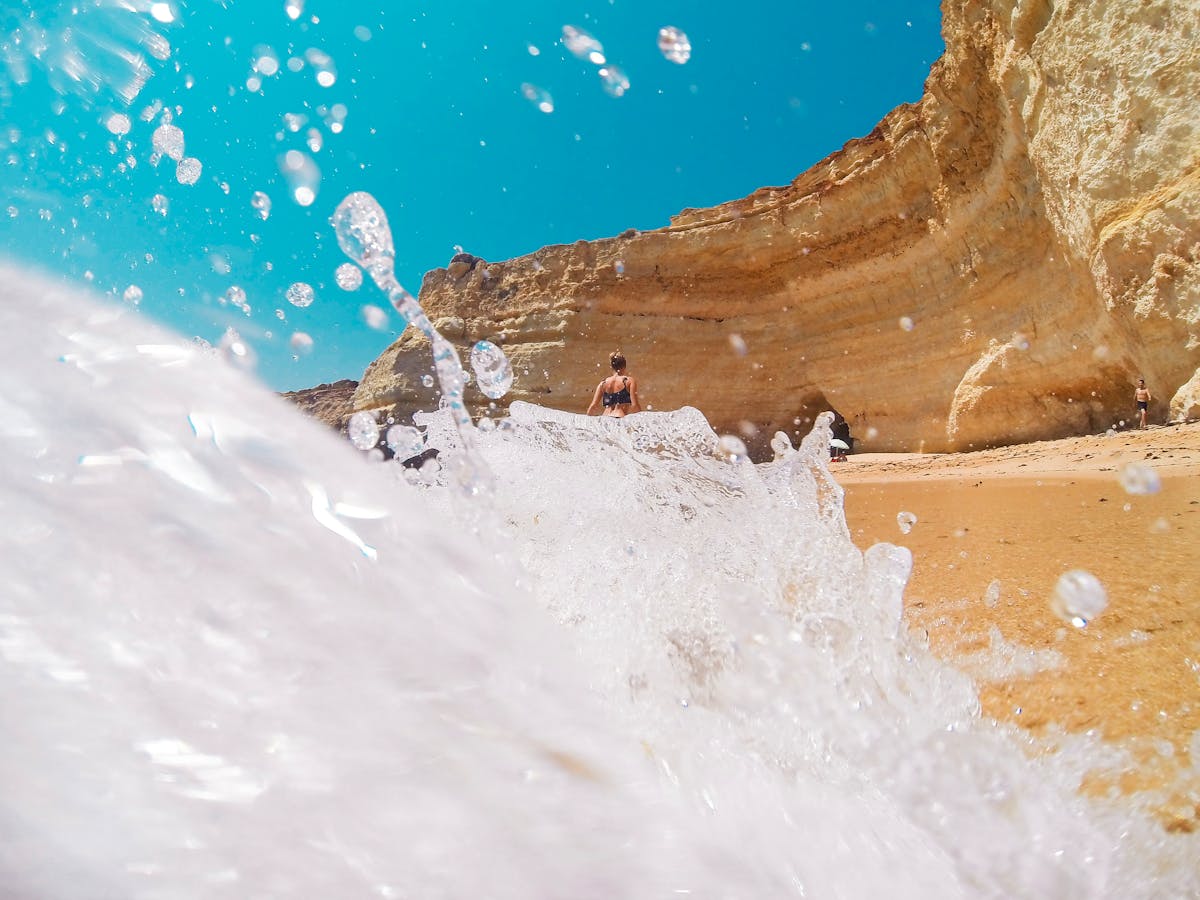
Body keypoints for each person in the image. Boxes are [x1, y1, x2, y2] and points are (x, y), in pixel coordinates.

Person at [586, 350, 641, 418]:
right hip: (619, 417)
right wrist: (642, 419)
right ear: (624, 367)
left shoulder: (603, 383)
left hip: (605, 418)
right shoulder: (629, 381)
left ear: (612, 367)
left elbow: (593, 406)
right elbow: (635, 405)